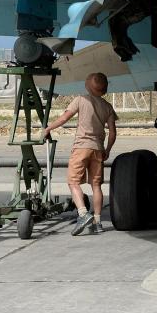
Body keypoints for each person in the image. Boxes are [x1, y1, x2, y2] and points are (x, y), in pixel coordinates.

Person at [43, 72, 118, 236]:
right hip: (98, 148)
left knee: (73, 182)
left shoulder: (80, 100)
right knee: (96, 185)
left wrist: (48, 128)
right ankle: (98, 222)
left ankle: (83, 214)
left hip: (81, 147)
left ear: (87, 86)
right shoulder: (107, 107)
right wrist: (107, 149)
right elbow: (112, 132)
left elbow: (64, 118)